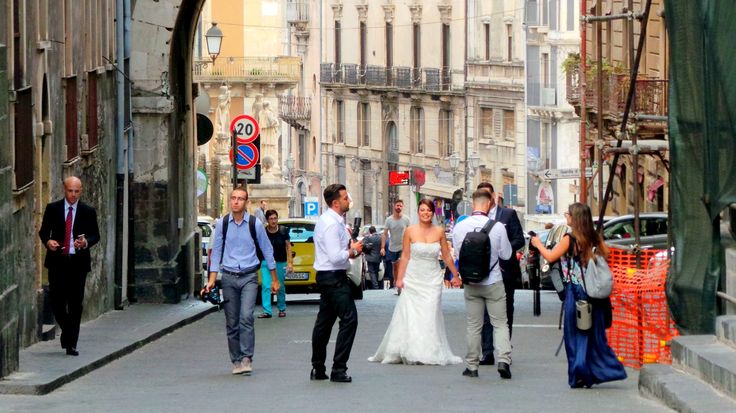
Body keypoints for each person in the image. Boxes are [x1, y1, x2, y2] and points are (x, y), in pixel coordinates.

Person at [530, 203, 626, 388]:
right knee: (593, 335)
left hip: (576, 292)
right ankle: (598, 370)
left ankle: (579, 371)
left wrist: (538, 244)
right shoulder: (594, 237)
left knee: (574, 334)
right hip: (594, 294)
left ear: (574, 218)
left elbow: (550, 257)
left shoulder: (569, 239)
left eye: (568, 214)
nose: (566, 216)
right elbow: (603, 257)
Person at [368, 200, 462, 365]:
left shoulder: (439, 231)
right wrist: (399, 278)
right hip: (413, 277)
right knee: (412, 314)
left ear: (433, 213)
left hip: (432, 279)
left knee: (430, 313)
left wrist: (455, 275)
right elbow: (405, 256)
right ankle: (411, 348)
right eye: (422, 210)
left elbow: (446, 256)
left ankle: (430, 350)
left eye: (428, 210)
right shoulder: (410, 231)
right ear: (418, 212)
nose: (425, 213)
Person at [203, 187, 279, 375]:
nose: (235, 201)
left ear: (246, 203)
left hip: (248, 277)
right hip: (228, 277)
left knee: (246, 317)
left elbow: (267, 250)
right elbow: (217, 251)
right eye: (233, 198)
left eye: (240, 199)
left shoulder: (255, 224)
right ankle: (236, 360)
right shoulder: (223, 224)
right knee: (231, 321)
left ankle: (246, 358)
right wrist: (211, 280)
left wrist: (275, 279)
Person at [452, 190, 513, 379]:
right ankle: (503, 360)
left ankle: (471, 366)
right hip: (493, 281)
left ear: (473, 204)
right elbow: (507, 255)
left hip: (471, 283)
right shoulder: (498, 227)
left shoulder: (460, 227)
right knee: (500, 323)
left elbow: (458, 255)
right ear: (489, 204)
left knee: (473, 325)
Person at [38, 176, 100, 356]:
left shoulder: (88, 211)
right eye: (70, 191)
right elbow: (43, 232)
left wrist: (85, 242)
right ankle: (67, 330)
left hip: (78, 264)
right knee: (57, 301)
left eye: (76, 191)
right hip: (58, 261)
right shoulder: (53, 208)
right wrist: (48, 242)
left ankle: (71, 343)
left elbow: (95, 235)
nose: (73, 195)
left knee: (75, 304)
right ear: (64, 190)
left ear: (81, 191)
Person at [310, 184, 364, 383]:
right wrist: (354, 251)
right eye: (344, 198)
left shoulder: (332, 221)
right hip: (333, 276)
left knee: (324, 323)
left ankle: (318, 367)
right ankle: (338, 368)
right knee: (349, 320)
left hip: (327, 276)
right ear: (335, 202)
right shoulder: (332, 224)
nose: (348, 200)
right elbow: (335, 256)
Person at [477, 182, 525, 366]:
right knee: (485, 313)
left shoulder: (508, 214)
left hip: (505, 270)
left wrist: (502, 249)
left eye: (488, 195)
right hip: (485, 272)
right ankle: (487, 352)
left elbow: (519, 239)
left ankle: (504, 349)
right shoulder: (477, 218)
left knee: (505, 311)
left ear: (494, 196)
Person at [258, 209, 292, 318]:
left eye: (275, 218)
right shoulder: (263, 231)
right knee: (266, 285)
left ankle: (282, 308)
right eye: (271, 219)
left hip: (280, 262)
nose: (273, 221)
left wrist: (290, 263)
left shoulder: (283, 231)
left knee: (280, 286)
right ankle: (267, 311)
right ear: (267, 220)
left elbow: (288, 247)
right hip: (266, 262)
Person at [381, 200, 411, 294]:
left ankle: (401, 283)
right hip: (392, 247)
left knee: (401, 264)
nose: (399, 207)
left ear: (403, 207)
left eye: (401, 206)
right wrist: (382, 247)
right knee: (395, 267)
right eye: (398, 205)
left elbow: (410, 232)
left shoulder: (406, 219)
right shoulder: (389, 220)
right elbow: (384, 234)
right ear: (394, 206)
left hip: (403, 246)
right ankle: (396, 283)